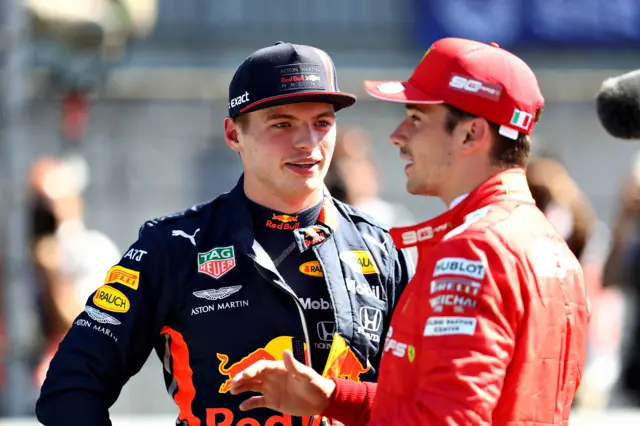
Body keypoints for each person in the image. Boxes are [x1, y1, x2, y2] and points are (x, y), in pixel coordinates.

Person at [35, 42, 414, 426]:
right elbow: (71, 385)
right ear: (234, 134)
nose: (308, 142)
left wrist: (337, 398)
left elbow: (434, 401)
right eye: (282, 123)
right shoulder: (172, 248)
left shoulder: (384, 249)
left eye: (322, 122)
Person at [229, 37, 590, 425]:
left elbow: (445, 420)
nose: (398, 135)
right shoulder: (547, 242)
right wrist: (335, 397)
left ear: (471, 134)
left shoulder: (474, 251)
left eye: (416, 118)